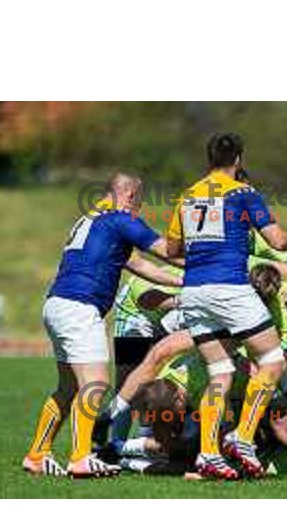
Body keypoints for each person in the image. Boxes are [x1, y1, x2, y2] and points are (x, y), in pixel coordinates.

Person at [165, 134, 287, 480]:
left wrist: (206, 250)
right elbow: (278, 240)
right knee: (273, 360)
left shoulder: (187, 196)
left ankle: (207, 454)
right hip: (229, 288)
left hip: (194, 292)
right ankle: (243, 437)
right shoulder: (243, 193)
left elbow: (173, 250)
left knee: (220, 372)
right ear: (238, 159)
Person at [23, 173, 182, 478]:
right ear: (130, 196)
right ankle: (81, 457)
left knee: (68, 388)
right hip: (80, 307)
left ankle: (37, 455)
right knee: (95, 382)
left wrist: (184, 280)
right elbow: (167, 251)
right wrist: (211, 260)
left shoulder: (93, 219)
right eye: (139, 204)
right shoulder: (119, 218)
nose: (138, 212)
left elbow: (139, 264)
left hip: (57, 304)